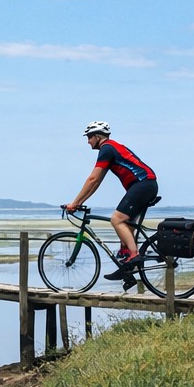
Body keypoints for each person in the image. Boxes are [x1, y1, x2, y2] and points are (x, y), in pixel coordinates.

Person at [64, 120, 158, 280]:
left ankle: (134, 255)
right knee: (126, 225)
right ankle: (127, 269)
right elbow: (97, 183)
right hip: (146, 185)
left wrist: (74, 203)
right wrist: (79, 202)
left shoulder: (107, 149)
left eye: (89, 137)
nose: (88, 142)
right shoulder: (111, 147)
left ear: (97, 136)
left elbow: (92, 179)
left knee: (116, 219)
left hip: (143, 185)